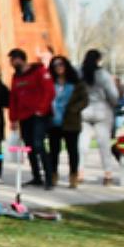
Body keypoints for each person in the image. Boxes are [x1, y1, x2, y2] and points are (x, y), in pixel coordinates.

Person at [7, 48, 55, 189]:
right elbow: (13, 98)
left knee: (38, 144)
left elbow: (49, 91)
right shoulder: (16, 77)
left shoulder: (39, 71)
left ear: (20, 59)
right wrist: (13, 119)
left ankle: (49, 178)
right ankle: (36, 177)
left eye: (13, 60)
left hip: (39, 115)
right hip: (24, 116)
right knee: (29, 147)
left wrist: (41, 109)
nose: (11, 63)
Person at [78, 49, 120, 186]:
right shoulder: (103, 75)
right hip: (102, 110)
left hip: (84, 110)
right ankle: (108, 174)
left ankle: (79, 171)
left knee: (82, 143)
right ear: (98, 60)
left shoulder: (79, 73)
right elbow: (113, 95)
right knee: (104, 144)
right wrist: (113, 104)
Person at [46, 55, 87, 188]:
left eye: (61, 64)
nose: (58, 67)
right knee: (54, 151)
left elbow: (84, 100)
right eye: (55, 65)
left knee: (72, 150)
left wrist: (74, 110)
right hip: (53, 121)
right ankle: (53, 175)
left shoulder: (76, 83)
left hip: (71, 121)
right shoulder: (50, 82)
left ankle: (73, 175)